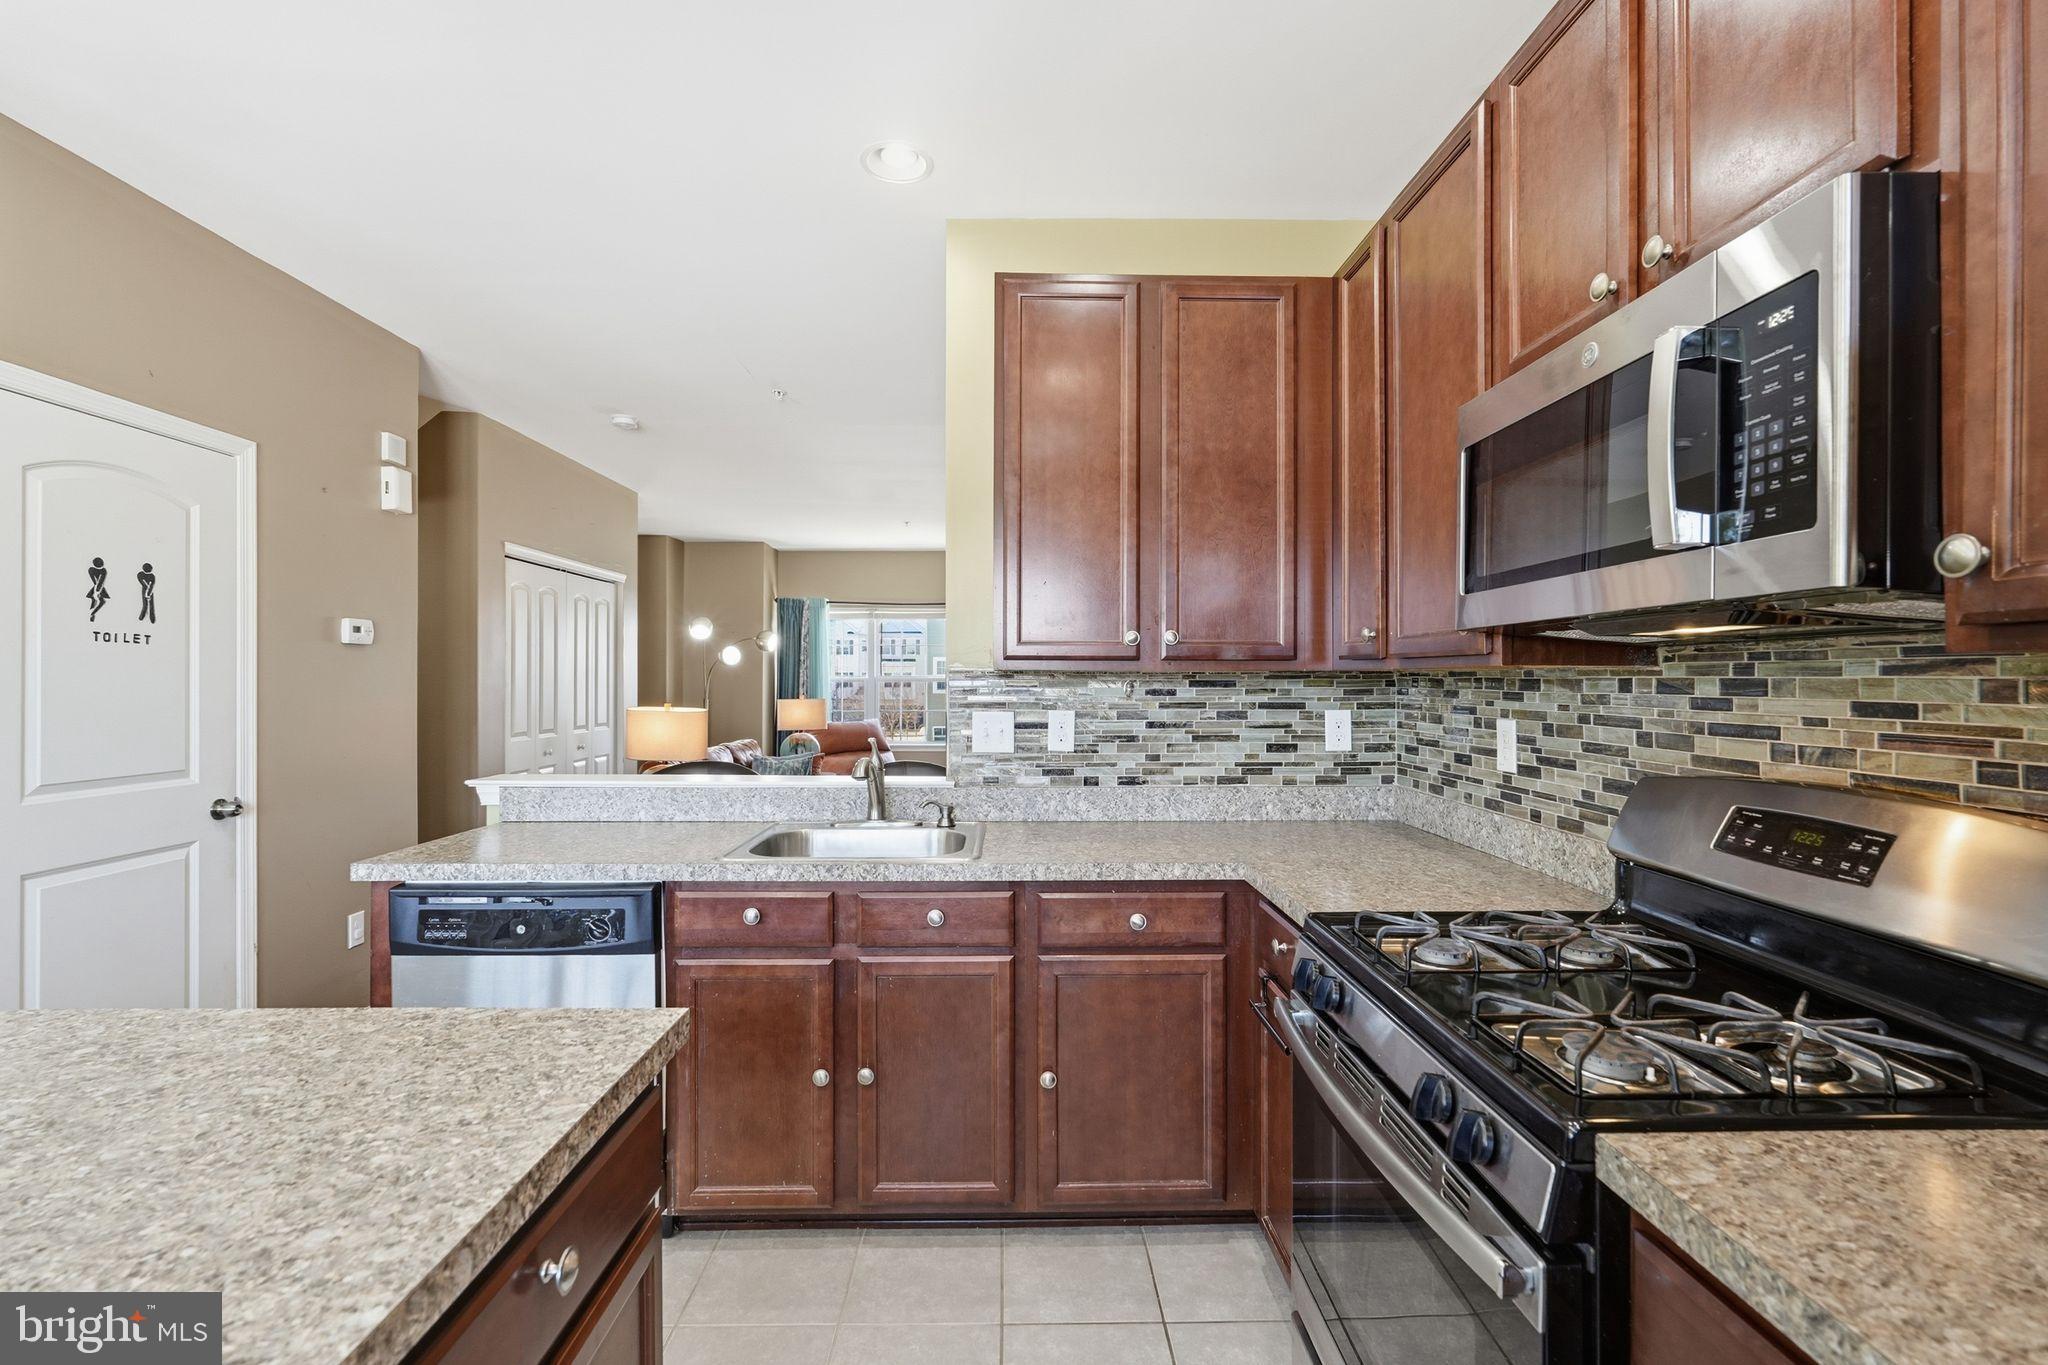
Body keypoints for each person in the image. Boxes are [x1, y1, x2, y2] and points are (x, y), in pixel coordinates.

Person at [86, 557, 109, 622]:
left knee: (96, 600)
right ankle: (91, 614)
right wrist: (97, 591)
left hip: (97, 587)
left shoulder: (91, 569)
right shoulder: (103, 570)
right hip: (98, 588)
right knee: (100, 601)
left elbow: (97, 581)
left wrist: (97, 590)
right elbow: (100, 582)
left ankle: (91, 614)